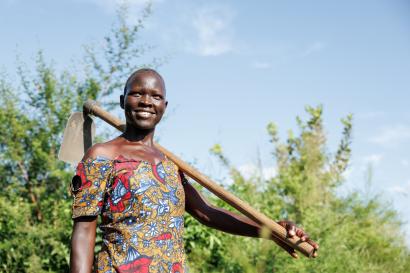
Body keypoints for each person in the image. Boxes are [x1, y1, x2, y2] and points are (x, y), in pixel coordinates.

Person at [69, 68, 318, 273]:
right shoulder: (103, 156)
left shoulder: (170, 164)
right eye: (137, 94)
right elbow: (83, 229)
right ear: (123, 101)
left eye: (155, 96)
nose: (146, 101)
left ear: (164, 106)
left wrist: (271, 230)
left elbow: (207, 213)